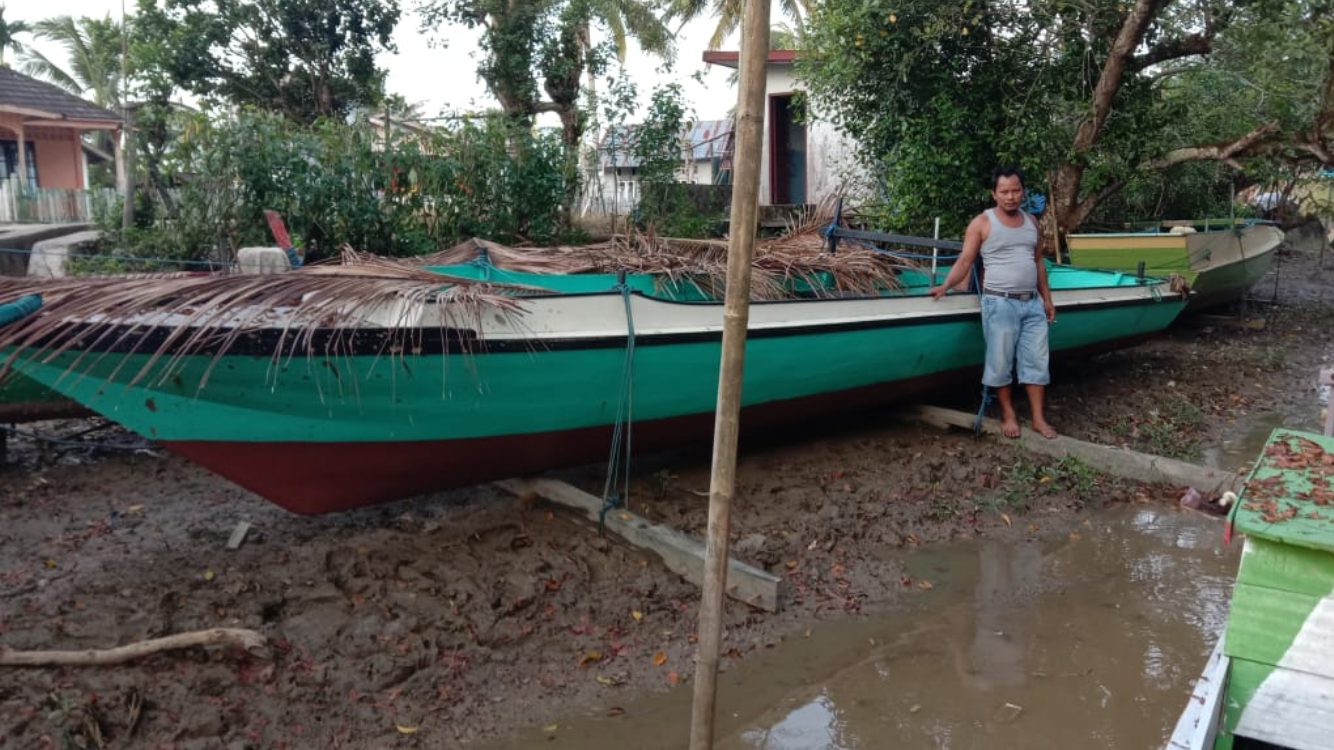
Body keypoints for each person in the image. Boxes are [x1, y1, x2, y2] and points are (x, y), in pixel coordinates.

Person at [929, 167, 1057, 439]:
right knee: (1000, 362)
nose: (1010, 196)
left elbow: (1037, 262)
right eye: (1004, 191)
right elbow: (965, 260)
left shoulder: (1032, 222)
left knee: (1037, 360)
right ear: (994, 193)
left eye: (1016, 190)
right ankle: (1008, 414)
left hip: (1032, 304)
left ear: (1023, 192)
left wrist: (1046, 298)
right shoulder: (982, 223)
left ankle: (1037, 418)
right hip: (1000, 303)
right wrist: (946, 285)